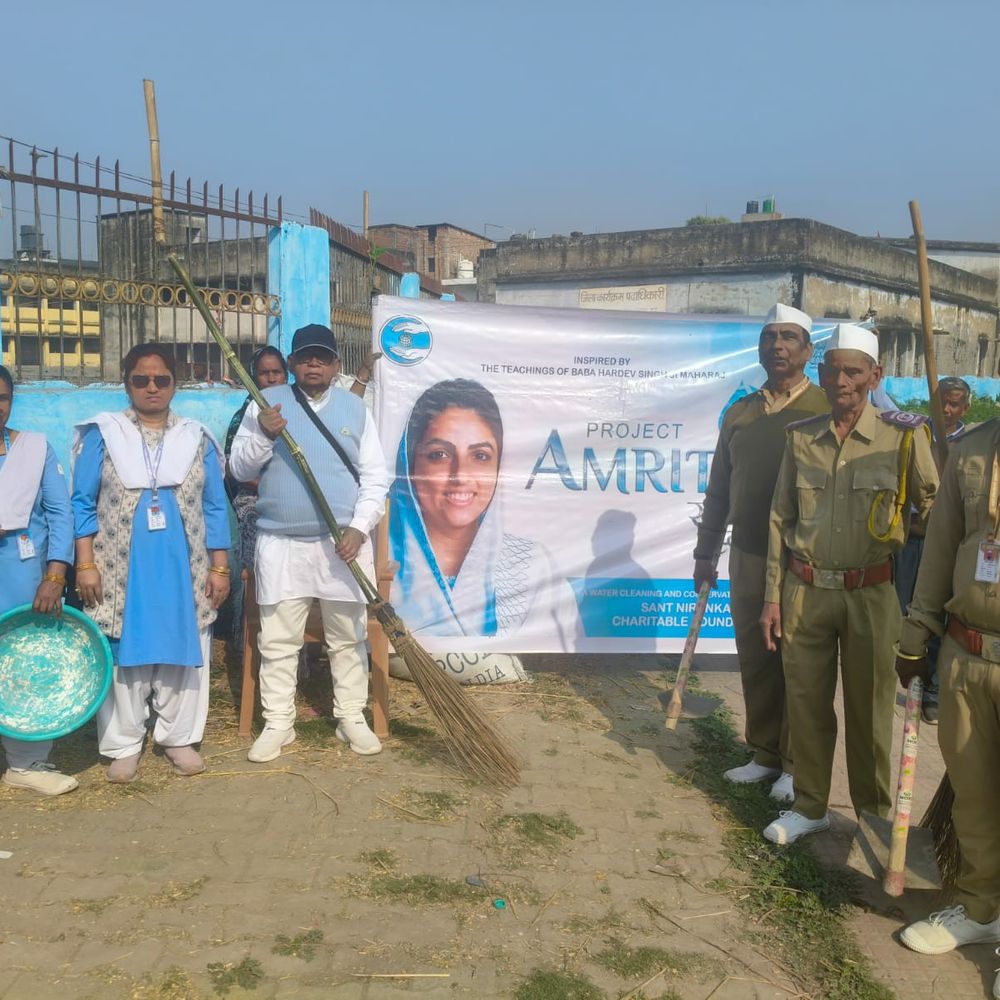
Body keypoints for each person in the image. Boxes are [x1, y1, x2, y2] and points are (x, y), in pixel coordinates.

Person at [758, 323, 938, 845]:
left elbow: (936, 514)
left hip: (872, 595)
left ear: (875, 376)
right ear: (821, 372)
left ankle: (873, 821)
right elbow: (780, 519)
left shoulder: (905, 437)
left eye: (854, 372)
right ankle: (810, 805)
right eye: (833, 370)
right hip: (806, 593)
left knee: (871, 714)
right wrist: (772, 597)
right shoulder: (802, 437)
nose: (841, 381)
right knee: (807, 705)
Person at [229, 324, 390, 762]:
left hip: (342, 545)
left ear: (336, 365)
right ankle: (278, 722)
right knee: (279, 641)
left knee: (347, 636)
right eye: (304, 357)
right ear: (292, 363)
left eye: (322, 357)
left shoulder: (356, 409)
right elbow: (240, 468)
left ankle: (350, 716)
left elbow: (375, 477)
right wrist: (264, 434)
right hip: (282, 542)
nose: (313, 364)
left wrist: (359, 528)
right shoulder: (266, 403)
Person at [72, 344, 231, 783]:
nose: (152, 388)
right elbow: (81, 502)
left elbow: (215, 506)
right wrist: (84, 563)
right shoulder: (104, 435)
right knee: (123, 648)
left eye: (162, 379)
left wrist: (219, 566)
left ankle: (178, 737)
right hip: (120, 567)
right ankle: (123, 742)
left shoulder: (196, 438)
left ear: (175, 384)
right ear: (127, 384)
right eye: (141, 380)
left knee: (184, 642)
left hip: (185, 567)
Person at [694, 304, 829, 804]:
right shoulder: (741, 413)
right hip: (749, 553)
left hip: (804, 559)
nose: (778, 346)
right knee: (755, 655)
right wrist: (705, 551)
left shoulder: (824, 408)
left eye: (789, 337)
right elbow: (719, 488)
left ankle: (797, 764)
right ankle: (765, 753)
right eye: (769, 337)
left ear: (807, 350)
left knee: (799, 663)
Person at [894, 418, 1000, 985]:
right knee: (974, 796)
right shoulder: (972, 448)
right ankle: (982, 909)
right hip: (966, 653)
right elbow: (938, 550)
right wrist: (916, 636)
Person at [389, 378, 572, 643]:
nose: (461, 475)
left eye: (480, 456)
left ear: (498, 467)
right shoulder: (378, 556)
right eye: (439, 454)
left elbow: (556, 646)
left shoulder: (532, 565)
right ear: (409, 465)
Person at [0, 365, 77, 796]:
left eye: (3, 397)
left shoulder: (34, 449)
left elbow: (60, 514)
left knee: (25, 662)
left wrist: (55, 575)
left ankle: (26, 763)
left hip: (22, 568)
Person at [893, 375, 973, 724]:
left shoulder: (970, 444)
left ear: (965, 408)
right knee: (900, 612)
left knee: (939, 617)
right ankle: (897, 677)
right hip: (912, 537)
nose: (947, 409)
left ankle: (933, 693)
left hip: (948, 545)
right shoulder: (916, 434)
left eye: (954, 404)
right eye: (942, 402)